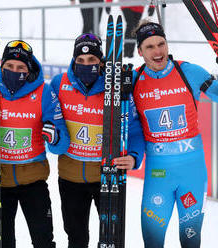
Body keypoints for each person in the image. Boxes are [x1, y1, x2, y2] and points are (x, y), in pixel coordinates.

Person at [0, 40, 70, 248]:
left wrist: (55, 136)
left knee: (43, 241)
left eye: (21, 67)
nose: (15, 71)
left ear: (29, 69)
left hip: (34, 182)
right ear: (1, 66)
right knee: (3, 242)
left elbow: (62, 143)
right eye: (9, 66)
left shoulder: (44, 93)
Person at [50, 33, 145, 248]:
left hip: (107, 176)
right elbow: (46, 117)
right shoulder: (59, 83)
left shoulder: (115, 86)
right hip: (69, 177)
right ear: (74, 59)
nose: (86, 64)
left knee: (111, 238)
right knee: (76, 238)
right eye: (80, 60)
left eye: (92, 60)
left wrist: (134, 156)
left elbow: (134, 128)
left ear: (101, 61)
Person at [132, 20, 218, 247]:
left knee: (190, 240)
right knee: (152, 240)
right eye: (150, 46)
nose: (158, 51)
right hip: (158, 173)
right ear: (140, 51)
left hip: (191, 169)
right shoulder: (133, 81)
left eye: (161, 43)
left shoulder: (188, 71)